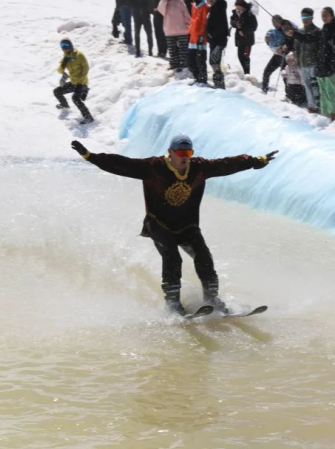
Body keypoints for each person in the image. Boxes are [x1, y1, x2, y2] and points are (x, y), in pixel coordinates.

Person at [67, 137, 278, 316]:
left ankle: (213, 300)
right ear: (170, 152)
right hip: (159, 224)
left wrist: (254, 161)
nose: (185, 157)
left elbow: (226, 164)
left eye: (188, 152)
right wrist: (90, 156)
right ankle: (173, 304)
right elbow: (121, 164)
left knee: (204, 257)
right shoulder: (153, 167)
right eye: (181, 152)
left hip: (187, 225)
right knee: (172, 258)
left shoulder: (199, 167)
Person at [287, 7, 335, 120]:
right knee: (323, 91)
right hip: (321, 65)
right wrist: (295, 34)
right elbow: (308, 38)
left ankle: (332, 113)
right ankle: (324, 113)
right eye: (322, 15)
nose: (324, 17)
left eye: (326, 15)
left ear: (332, 16)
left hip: (328, 65)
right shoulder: (324, 29)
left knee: (329, 90)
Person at [54, 38, 94, 125]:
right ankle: (64, 105)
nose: (65, 48)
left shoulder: (79, 55)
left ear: (71, 45)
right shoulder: (66, 57)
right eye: (62, 46)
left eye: (66, 45)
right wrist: (63, 64)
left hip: (82, 83)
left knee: (75, 98)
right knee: (57, 91)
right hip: (73, 83)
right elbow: (59, 71)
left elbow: (86, 68)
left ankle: (88, 117)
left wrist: (80, 80)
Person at [293, 8, 322, 113]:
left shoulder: (317, 31)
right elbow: (296, 48)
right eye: (303, 17)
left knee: (316, 87)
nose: (305, 20)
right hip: (303, 63)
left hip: (313, 63)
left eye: (307, 17)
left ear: (312, 17)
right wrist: (297, 59)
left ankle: (319, 107)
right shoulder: (300, 32)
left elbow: (319, 49)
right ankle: (311, 106)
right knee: (307, 87)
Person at [262, 16, 297, 94]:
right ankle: (264, 90)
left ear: (279, 21)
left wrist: (284, 47)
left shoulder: (287, 26)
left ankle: (290, 94)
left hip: (287, 56)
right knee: (267, 71)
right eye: (272, 22)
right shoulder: (276, 30)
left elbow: (292, 40)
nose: (273, 24)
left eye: (275, 22)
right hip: (278, 54)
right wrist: (267, 40)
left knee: (285, 75)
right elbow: (271, 42)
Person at [158, 0, 192, 76]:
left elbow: (186, 14)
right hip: (172, 30)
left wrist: (188, 26)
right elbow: (160, 9)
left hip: (179, 30)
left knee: (181, 49)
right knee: (173, 49)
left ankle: (182, 66)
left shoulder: (180, 2)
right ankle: (175, 65)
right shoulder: (165, 3)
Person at [206, 0, 229, 89]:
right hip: (215, 40)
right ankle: (218, 84)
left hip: (218, 40)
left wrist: (211, 33)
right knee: (213, 61)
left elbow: (220, 25)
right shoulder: (214, 8)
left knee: (214, 61)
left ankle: (220, 86)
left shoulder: (218, 7)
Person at [230, 0, 258, 76]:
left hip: (247, 39)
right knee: (240, 56)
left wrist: (244, 32)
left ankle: (247, 73)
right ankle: (245, 73)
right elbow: (232, 21)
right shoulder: (235, 13)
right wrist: (235, 24)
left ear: (243, 6)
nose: (237, 8)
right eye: (236, 6)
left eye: (238, 6)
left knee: (245, 57)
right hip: (240, 39)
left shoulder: (250, 14)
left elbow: (254, 27)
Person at [188, 0, 209, 86]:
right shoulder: (193, 6)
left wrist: (202, 35)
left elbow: (205, 22)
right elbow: (193, 21)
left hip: (201, 38)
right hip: (192, 37)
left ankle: (203, 79)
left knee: (200, 59)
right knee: (191, 59)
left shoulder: (205, 7)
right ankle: (197, 77)